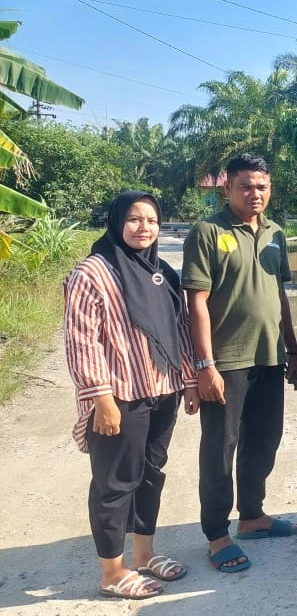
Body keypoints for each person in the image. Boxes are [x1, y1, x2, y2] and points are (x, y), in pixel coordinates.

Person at [64, 191, 197, 599]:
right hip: (119, 395)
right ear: (117, 221)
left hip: (163, 390)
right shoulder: (93, 273)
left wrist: (189, 380)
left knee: (151, 475)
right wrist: (100, 398)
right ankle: (112, 571)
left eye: (152, 220)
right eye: (135, 219)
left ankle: (144, 553)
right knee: (116, 482)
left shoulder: (162, 272)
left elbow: (179, 328)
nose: (145, 228)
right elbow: (80, 340)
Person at [181, 153, 297, 574]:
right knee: (220, 448)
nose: (255, 194)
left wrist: (292, 350)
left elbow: (280, 297)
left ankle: (252, 516)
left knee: (264, 440)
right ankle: (217, 532)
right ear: (228, 188)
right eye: (246, 186)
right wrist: (204, 365)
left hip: (269, 357)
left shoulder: (275, 234)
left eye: (262, 186)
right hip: (226, 361)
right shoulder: (207, 232)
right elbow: (195, 301)